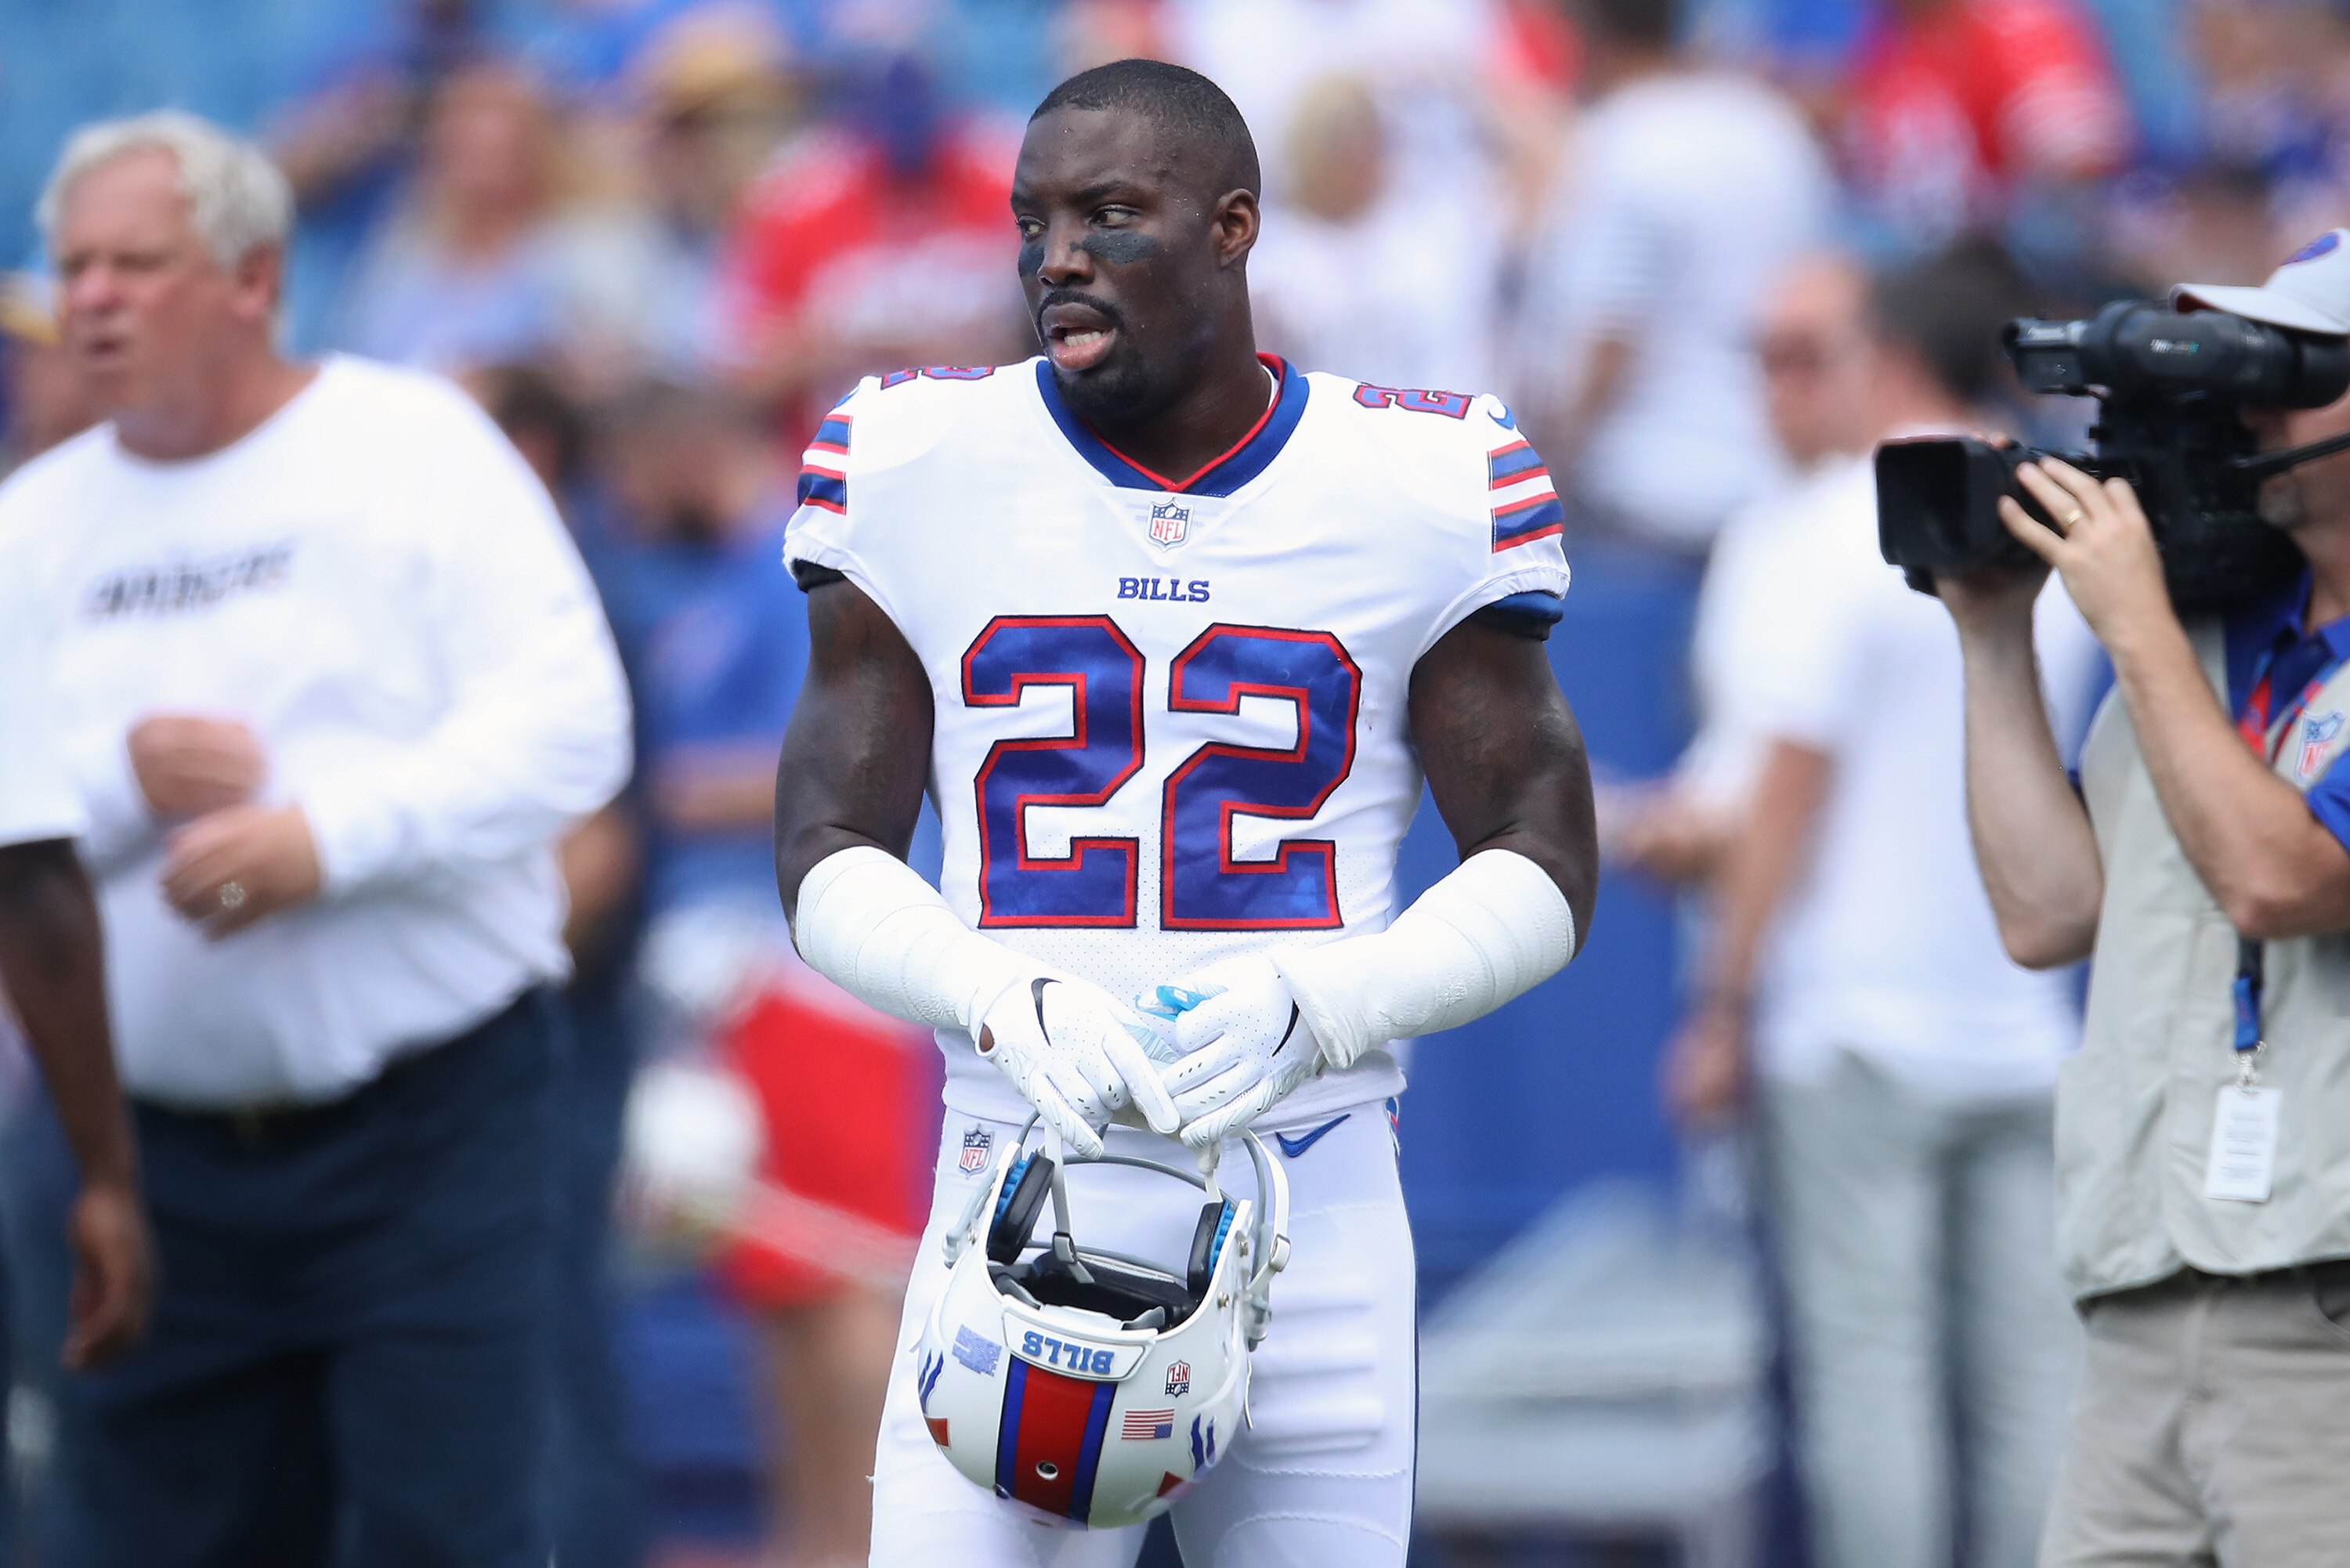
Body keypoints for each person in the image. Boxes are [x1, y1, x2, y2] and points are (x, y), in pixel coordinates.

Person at [771, 58, 1598, 1566]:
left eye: (1110, 213)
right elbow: (824, 846)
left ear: (1235, 227)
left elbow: (1545, 861)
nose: (1057, 257)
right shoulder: (912, 461)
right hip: (1009, 1184)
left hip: (1315, 1195)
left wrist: (1335, 999)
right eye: (1032, 221)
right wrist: (981, 980)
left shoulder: (1423, 474)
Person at [8, 112, 631, 1567]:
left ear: (252, 277)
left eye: (135, 263)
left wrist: (326, 839)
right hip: (141, 1149)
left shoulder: (415, 444)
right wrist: (113, 782)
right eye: (74, 265)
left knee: (451, 1537)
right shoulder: (30, 529)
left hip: (434, 1126)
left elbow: (569, 728)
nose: (90, 296)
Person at [1662, 242, 2094, 1568]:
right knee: (2032, 1392)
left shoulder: (1838, 526)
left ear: (1891, 359)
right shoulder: (2068, 522)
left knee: (1874, 1389)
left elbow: (1787, 788)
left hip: (1853, 1027)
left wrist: (1722, 1005)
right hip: (2022, 1025)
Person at [1943, 231, 2350, 1566]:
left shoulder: (2164, 640)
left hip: (2323, 1323)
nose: (2243, 411)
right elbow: (2047, 914)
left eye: (2289, 375)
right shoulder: (2209, 639)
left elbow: (2280, 877)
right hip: (2141, 1295)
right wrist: (1994, 634)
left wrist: (2133, 627)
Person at [606, 379, 925, 1568]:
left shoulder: (800, 572)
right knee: (776, 1277)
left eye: (638, 472)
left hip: (813, 964)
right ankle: (810, 1542)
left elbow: (833, 761)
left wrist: (644, 798)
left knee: (839, 1276)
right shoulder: (705, 585)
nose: (628, 502)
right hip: (732, 972)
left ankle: (864, 1546)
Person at [1520, 0, 1831, 560]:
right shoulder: (1769, 122)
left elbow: (1609, 342)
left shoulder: (1620, 141)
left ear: (1588, 34)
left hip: (1648, 492)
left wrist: (1544, 460)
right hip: (1772, 484)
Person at [1842, 0, 2131, 249]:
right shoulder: (1885, 43)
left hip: (2011, 258)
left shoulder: (2017, 24)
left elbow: (2078, 154)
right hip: (1907, 251)